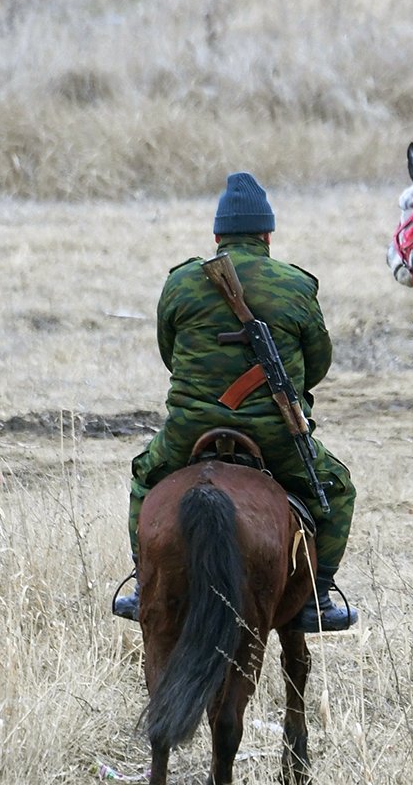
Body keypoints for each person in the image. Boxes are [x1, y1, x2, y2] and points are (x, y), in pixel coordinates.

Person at [112, 172, 358, 632]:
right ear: (267, 235)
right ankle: (318, 597)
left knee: (146, 479)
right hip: (276, 432)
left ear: (217, 235)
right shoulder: (296, 287)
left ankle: (144, 583)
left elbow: (170, 355)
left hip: (190, 428)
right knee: (337, 489)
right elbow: (318, 365)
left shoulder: (181, 284)